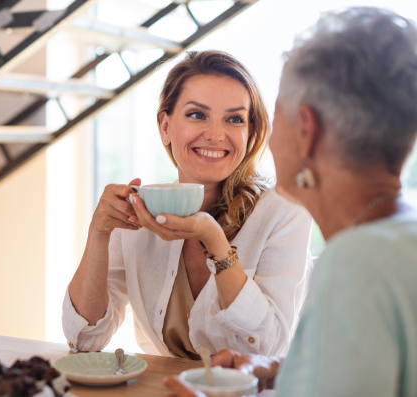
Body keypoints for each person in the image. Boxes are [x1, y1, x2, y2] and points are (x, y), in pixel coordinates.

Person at [165, 6, 417, 396]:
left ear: (307, 130)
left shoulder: (356, 263)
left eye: (274, 115)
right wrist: (279, 370)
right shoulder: (397, 241)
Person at [62, 50, 313, 359]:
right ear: (165, 126)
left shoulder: (284, 213)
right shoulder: (138, 212)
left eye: (234, 119)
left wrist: (216, 244)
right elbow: (85, 339)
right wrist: (98, 234)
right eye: (197, 115)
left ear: (249, 133)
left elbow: (269, 347)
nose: (216, 135)